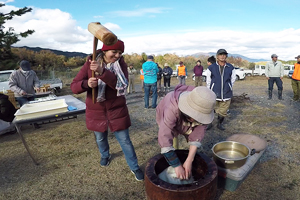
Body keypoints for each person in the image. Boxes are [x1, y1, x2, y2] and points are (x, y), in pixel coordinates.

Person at [70, 40, 144, 181]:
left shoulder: (121, 65)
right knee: (100, 138)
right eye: (114, 52)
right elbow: (74, 86)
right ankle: (105, 155)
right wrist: (86, 84)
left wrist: (102, 72)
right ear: (104, 51)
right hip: (96, 110)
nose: (117, 55)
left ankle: (134, 167)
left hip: (117, 110)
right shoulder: (90, 64)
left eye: (120, 53)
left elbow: (120, 84)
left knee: (125, 141)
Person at [156, 85, 216, 180]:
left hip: (185, 118)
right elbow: (165, 137)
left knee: (192, 142)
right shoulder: (171, 109)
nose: (199, 120)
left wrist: (189, 160)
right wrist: (176, 165)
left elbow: (198, 134)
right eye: (196, 117)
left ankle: (183, 158)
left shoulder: (205, 105)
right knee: (171, 138)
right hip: (169, 114)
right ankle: (174, 157)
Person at [206, 49, 236, 131]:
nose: (222, 56)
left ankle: (219, 124)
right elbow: (208, 80)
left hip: (226, 93)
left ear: (226, 56)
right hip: (214, 92)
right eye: (220, 54)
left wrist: (229, 86)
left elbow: (233, 79)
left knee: (223, 111)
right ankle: (209, 123)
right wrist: (210, 90)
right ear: (217, 56)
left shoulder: (231, 67)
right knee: (210, 109)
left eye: (224, 54)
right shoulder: (211, 67)